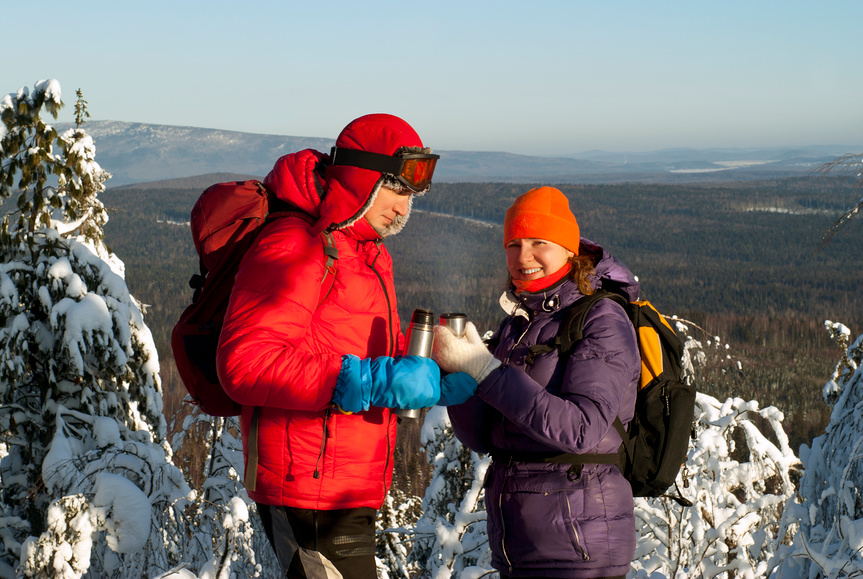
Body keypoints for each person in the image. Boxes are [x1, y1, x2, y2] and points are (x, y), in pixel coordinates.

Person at [216, 113, 476, 579]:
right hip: (306, 491)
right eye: (397, 190)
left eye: (410, 196)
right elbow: (246, 363)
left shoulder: (361, 250)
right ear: (364, 177)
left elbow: (344, 337)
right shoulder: (296, 243)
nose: (404, 209)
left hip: (343, 485)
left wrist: (430, 370)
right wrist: (374, 380)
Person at [432, 186, 641, 579]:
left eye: (538, 242)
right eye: (513, 243)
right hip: (519, 544)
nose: (522, 257)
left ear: (568, 249)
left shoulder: (601, 320)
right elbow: (487, 437)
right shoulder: (519, 323)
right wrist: (458, 380)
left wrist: (485, 371)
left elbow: (582, 429)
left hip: (577, 548)